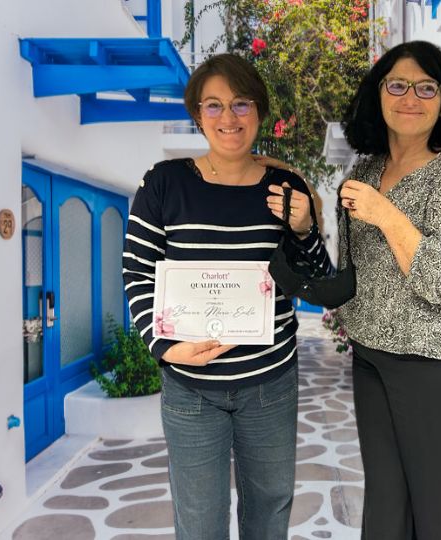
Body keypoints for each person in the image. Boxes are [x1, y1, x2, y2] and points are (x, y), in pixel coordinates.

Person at [122, 53, 331, 540]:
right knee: (199, 525)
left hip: (270, 385)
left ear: (257, 111)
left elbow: (317, 280)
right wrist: (165, 347)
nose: (227, 118)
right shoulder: (163, 185)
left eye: (240, 104)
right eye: (213, 106)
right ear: (197, 114)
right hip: (191, 388)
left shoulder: (287, 188)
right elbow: (136, 272)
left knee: (268, 515)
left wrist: (303, 229)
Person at [336, 40, 441, 539]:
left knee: (438, 511)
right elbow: (351, 269)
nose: (411, 97)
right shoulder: (364, 170)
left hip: (437, 362)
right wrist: (302, 227)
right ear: (378, 93)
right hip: (372, 353)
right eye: (398, 84)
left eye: (427, 87)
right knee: (385, 502)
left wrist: (386, 215)